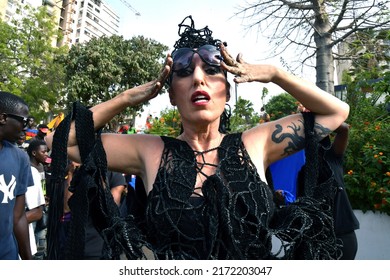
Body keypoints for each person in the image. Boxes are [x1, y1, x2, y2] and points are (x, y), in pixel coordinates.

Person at [45, 16, 349, 260]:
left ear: (227, 91)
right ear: (172, 94)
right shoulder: (149, 149)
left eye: (213, 69)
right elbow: (61, 142)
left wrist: (273, 73)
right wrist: (127, 97)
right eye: (183, 71)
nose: (199, 78)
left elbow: (335, 112)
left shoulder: (256, 142)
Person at [297, 123, 359, 259]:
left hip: (341, 235)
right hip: (312, 238)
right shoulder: (301, 170)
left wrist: (312, 120)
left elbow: (343, 129)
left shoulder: (332, 156)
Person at [0, 91, 34, 260]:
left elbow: (18, 216)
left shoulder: (20, 158)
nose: (26, 127)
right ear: (3, 118)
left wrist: (28, 262)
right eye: (24, 121)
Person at [25, 140, 47, 258]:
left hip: (42, 205)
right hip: (32, 209)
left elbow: (42, 186)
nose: (46, 154)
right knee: (31, 236)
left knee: (41, 237)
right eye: (43, 152)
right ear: (34, 153)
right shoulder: (28, 169)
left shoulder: (41, 166)